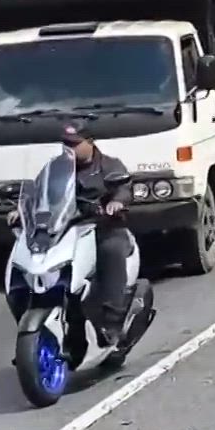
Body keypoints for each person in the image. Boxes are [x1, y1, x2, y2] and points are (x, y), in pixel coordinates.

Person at [63, 125, 137, 345]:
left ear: (90, 141)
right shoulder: (58, 168)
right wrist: (21, 210)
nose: (70, 149)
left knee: (111, 250)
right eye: (66, 144)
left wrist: (117, 202)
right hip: (70, 231)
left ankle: (113, 321)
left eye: (75, 144)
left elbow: (124, 188)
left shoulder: (109, 165)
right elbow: (42, 192)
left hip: (105, 228)